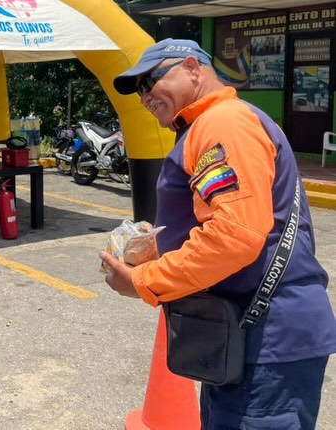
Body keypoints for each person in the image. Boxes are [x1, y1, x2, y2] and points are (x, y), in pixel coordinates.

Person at [101, 38, 336, 429]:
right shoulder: (205, 125)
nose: (144, 97)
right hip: (242, 335)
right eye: (138, 90)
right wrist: (159, 244)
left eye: (150, 82)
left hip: (266, 339)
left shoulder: (222, 123)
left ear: (192, 67)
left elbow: (235, 236)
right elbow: (225, 223)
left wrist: (143, 281)